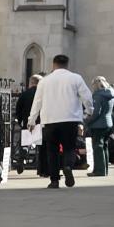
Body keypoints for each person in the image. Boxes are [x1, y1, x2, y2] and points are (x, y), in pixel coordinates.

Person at [28, 53, 93, 188]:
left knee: (52, 151)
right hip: (70, 119)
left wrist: (32, 120)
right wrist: (89, 112)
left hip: (50, 120)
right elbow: (87, 97)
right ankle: (68, 166)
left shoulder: (44, 81)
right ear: (67, 65)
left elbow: (37, 102)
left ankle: (54, 180)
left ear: (53, 64)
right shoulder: (75, 78)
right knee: (69, 148)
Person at [87, 76, 114, 176]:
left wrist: (87, 121)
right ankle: (104, 170)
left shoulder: (97, 95)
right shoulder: (111, 94)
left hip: (98, 125)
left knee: (98, 147)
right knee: (105, 146)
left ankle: (99, 171)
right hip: (108, 123)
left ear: (95, 84)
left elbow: (96, 113)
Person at [13, 74, 41, 174]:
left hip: (27, 122)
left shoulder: (25, 94)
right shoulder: (42, 94)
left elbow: (18, 109)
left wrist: (21, 121)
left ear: (31, 83)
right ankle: (40, 166)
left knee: (25, 143)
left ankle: (23, 155)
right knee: (41, 146)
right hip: (41, 122)